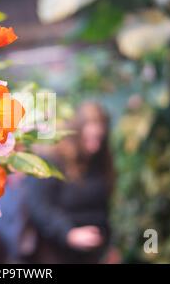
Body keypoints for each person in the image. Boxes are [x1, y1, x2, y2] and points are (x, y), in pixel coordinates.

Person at [23, 102, 116, 263]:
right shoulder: (53, 160)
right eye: (89, 139)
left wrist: (111, 246)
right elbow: (39, 206)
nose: (95, 146)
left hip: (94, 252)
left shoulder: (99, 162)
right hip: (57, 251)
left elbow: (104, 209)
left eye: (99, 139)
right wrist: (68, 233)